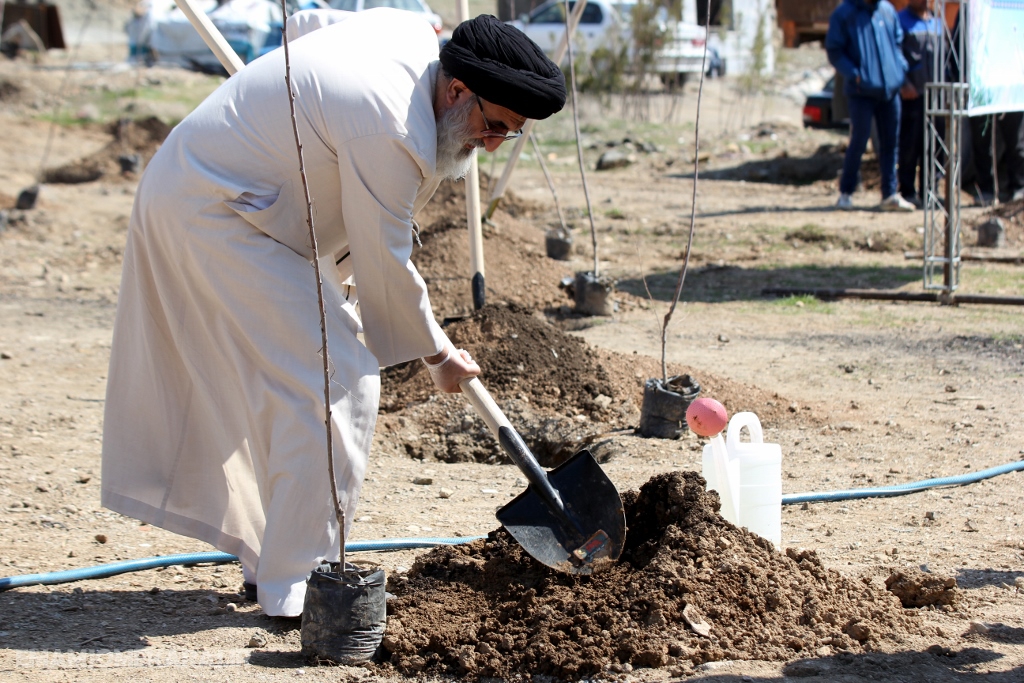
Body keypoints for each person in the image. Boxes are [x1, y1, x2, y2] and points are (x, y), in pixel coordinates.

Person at [100, 10, 566, 618]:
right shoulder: (391, 127)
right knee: (339, 376)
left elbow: (309, 23)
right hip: (214, 210)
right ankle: (301, 585)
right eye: (495, 125)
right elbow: (384, 263)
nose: (494, 143)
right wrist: (438, 354)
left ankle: (275, 563)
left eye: (512, 133)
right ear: (456, 90)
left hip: (247, 201)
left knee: (294, 381)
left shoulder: (415, 31)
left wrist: (301, 113)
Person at [826, 0, 915, 211]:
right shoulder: (845, 13)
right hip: (861, 92)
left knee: (890, 142)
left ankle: (890, 194)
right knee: (859, 139)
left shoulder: (886, 10)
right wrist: (855, 75)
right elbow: (834, 50)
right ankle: (846, 193)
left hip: (890, 89)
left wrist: (899, 69)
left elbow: (897, 42)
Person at [897, 0, 943, 208]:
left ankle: (930, 192)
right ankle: (907, 192)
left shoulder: (937, 23)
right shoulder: (901, 21)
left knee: (934, 146)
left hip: (936, 96)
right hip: (912, 96)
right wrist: (903, 83)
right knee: (910, 145)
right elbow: (895, 56)